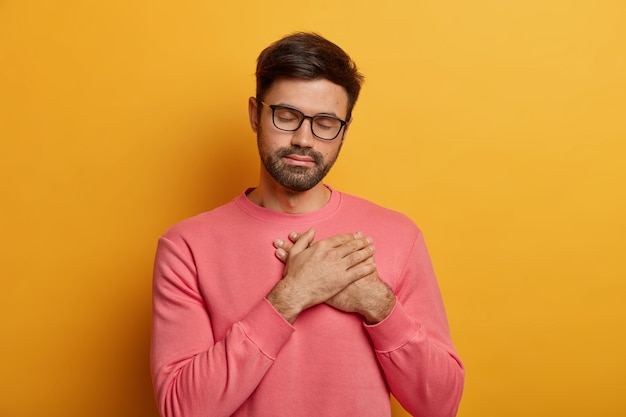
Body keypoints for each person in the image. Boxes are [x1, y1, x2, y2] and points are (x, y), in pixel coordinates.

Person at [150, 32, 464, 417]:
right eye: (286, 116)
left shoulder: (399, 236)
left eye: (326, 122)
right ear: (254, 114)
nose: (303, 139)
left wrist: (378, 305)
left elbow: (440, 405)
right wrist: (292, 295)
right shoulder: (186, 246)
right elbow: (182, 410)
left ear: (345, 129)